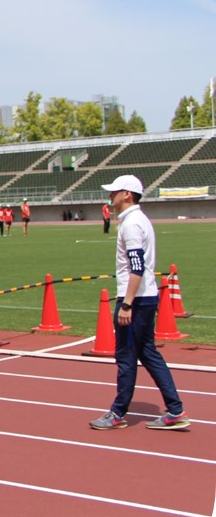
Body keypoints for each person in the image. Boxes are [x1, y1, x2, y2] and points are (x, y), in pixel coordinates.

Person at [89, 175, 189, 431]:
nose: (110, 196)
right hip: (146, 296)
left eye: (115, 192)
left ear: (128, 195)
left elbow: (137, 266)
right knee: (147, 352)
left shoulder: (131, 224)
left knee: (125, 356)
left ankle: (118, 412)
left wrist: (127, 304)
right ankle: (175, 409)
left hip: (136, 298)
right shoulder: (138, 220)